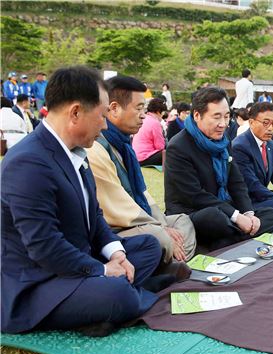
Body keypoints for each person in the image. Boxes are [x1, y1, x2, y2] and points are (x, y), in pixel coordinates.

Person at [1, 66, 162, 335]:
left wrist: (116, 254)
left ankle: (104, 306)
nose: (104, 124)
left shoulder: (77, 152)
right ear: (75, 112)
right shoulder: (27, 162)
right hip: (38, 281)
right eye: (100, 115)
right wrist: (101, 269)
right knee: (117, 292)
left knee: (148, 247)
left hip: (76, 262)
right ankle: (121, 299)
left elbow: (95, 215)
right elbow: (45, 247)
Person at [87, 75, 197, 268]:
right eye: (139, 109)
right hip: (119, 226)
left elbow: (143, 193)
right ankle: (173, 265)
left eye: (144, 110)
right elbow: (119, 206)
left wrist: (162, 223)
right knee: (159, 238)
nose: (144, 115)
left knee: (182, 221)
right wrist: (160, 227)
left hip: (141, 220)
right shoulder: (96, 147)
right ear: (113, 108)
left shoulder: (125, 145)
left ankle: (176, 263)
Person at [164, 87, 273, 251]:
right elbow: (194, 195)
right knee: (213, 218)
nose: (223, 124)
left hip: (224, 207)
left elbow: (236, 182)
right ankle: (235, 237)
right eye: (216, 117)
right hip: (193, 211)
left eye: (226, 117)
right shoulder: (178, 147)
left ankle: (227, 241)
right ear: (197, 115)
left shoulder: (223, 142)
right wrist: (236, 216)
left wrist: (248, 214)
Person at [132, 97, 166, 166]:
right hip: (145, 157)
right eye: (163, 112)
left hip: (136, 157)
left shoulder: (144, 118)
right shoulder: (155, 123)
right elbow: (160, 147)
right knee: (170, 153)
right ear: (158, 111)